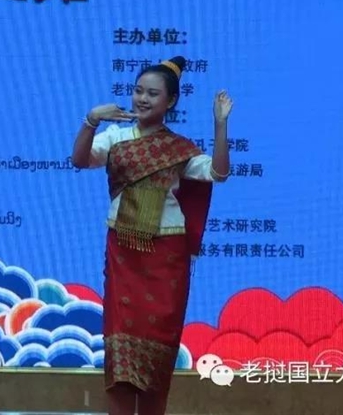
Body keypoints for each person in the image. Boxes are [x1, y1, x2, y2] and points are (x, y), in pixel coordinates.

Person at [71, 56, 232, 415]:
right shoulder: (115, 138)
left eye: (152, 94)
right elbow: (80, 159)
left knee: (158, 350)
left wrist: (220, 125)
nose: (142, 99)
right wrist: (91, 119)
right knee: (120, 350)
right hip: (124, 253)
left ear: (170, 101)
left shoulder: (178, 148)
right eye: (138, 91)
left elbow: (218, 173)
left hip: (166, 258)